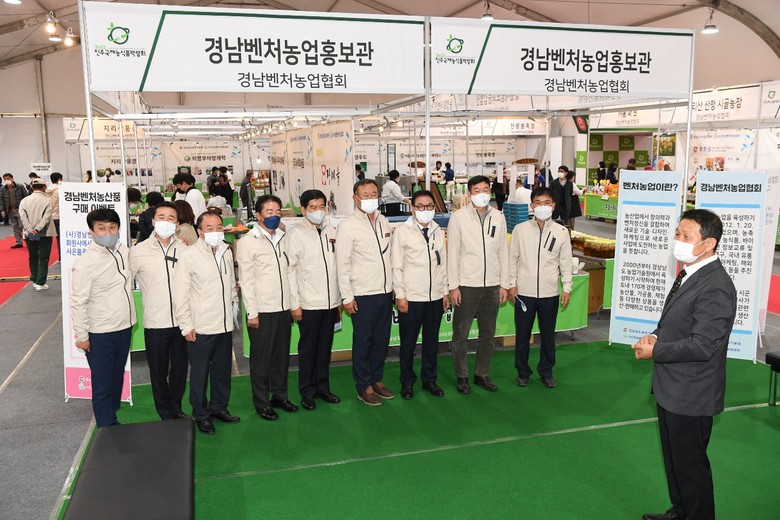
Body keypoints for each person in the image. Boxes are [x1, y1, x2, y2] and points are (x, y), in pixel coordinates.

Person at [633, 209, 736, 520]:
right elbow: (675, 321)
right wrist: (655, 335)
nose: (677, 240)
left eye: (686, 236)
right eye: (677, 233)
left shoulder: (716, 285)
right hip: (672, 388)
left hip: (692, 392)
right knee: (675, 461)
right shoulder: (690, 272)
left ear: (709, 243)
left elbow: (703, 345)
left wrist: (656, 351)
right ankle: (680, 511)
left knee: (691, 467)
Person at [173, 212, 241, 435]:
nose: (215, 232)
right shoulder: (189, 256)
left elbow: (230, 282)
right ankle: (200, 414)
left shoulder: (226, 251)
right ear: (200, 231)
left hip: (224, 324)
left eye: (219, 227)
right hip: (201, 326)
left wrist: (234, 307)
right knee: (200, 373)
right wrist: (186, 325)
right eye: (210, 228)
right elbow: (180, 294)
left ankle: (219, 407)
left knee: (222, 370)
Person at [70, 209, 136, 427]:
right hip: (100, 332)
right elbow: (78, 301)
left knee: (116, 376)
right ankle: (106, 426)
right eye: (101, 228)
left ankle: (112, 414)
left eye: (112, 227)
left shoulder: (123, 251)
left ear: (118, 229)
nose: (108, 232)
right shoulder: (85, 263)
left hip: (124, 327)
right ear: (91, 232)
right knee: (102, 382)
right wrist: (82, 335)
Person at [237, 194, 298, 421]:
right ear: (259, 215)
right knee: (261, 360)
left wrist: (293, 304)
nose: (274, 215)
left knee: (281, 357)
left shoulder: (283, 237)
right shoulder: (248, 242)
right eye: (269, 212)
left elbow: (290, 273)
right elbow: (246, 280)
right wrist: (252, 313)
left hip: (282, 309)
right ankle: (261, 402)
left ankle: (280, 396)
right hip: (261, 311)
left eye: (278, 212)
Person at [447, 175, 510, 394]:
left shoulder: (498, 217)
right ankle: (462, 376)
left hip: (492, 285)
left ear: (490, 192)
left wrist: (504, 284)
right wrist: (453, 285)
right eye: (477, 190)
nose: (481, 194)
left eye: (485, 190)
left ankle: (481, 373)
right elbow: (453, 253)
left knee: (488, 335)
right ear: (469, 193)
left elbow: (503, 252)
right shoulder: (458, 218)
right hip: (466, 284)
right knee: (461, 335)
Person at [336, 179, 394, 406]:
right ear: (355, 198)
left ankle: (376, 379)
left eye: (374, 194)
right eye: (366, 195)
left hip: (385, 291)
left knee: (381, 340)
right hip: (362, 293)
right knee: (363, 341)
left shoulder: (384, 221)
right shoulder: (348, 226)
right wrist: (347, 296)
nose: (371, 198)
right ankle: (363, 385)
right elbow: (342, 264)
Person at [129, 201, 189, 421]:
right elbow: (124, 283)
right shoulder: (139, 251)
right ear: (153, 221)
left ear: (177, 223)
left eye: (171, 218)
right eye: (161, 217)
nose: (166, 221)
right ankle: (164, 412)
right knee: (158, 370)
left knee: (180, 369)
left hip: (183, 321)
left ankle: (176, 407)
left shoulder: (185, 249)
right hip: (155, 322)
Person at [509, 187, 572, 389]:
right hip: (524, 293)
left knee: (548, 335)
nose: (542, 206)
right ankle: (522, 372)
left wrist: (567, 287)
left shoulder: (561, 232)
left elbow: (565, 262)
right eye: (538, 202)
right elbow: (512, 259)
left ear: (553, 205)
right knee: (522, 335)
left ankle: (546, 371)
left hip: (549, 293)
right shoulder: (520, 230)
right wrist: (511, 284)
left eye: (546, 203)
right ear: (531, 205)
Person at [287, 189, 341, 411]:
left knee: (324, 347)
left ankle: (322, 387)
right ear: (303, 210)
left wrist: (339, 298)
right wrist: (295, 304)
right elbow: (290, 271)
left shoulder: (333, 230)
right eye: (312, 207)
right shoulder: (295, 235)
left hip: (330, 302)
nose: (318, 211)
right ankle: (307, 391)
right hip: (308, 303)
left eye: (321, 207)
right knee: (308, 349)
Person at [391, 190, 449, 400]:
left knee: (431, 341)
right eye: (421, 206)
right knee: (408, 343)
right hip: (412, 297)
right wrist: (400, 295)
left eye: (429, 206)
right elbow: (396, 266)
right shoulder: (402, 232)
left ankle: (429, 380)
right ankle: (407, 382)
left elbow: (442, 264)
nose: (426, 210)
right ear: (413, 209)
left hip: (434, 297)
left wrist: (444, 292)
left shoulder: (437, 230)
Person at [19, 179, 56, 291]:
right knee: (43, 258)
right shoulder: (48, 200)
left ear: (32, 188)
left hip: (29, 234)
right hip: (45, 233)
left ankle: (34, 279)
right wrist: (37, 229)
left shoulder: (24, 200)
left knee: (33, 257)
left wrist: (30, 229)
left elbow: (23, 217)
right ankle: (40, 282)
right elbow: (46, 217)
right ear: (44, 187)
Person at [1, 173, 29, 248]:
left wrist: (26, 208)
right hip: (10, 210)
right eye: (5, 179)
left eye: (8, 178)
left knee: (22, 225)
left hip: (20, 209)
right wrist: (2, 210)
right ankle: (18, 242)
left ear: (12, 178)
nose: (7, 180)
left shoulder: (20, 186)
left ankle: (28, 241)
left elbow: (26, 197)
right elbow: (1, 200)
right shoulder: (3, 189)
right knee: (15, 226)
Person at [48, 172, 62, 260]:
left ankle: (60, 256)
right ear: (59, 179)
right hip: (59, 215)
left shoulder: (47, 190)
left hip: (51, 216)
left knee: (57, 238)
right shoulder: (59, 190)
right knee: (61, 238)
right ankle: (62, 256)